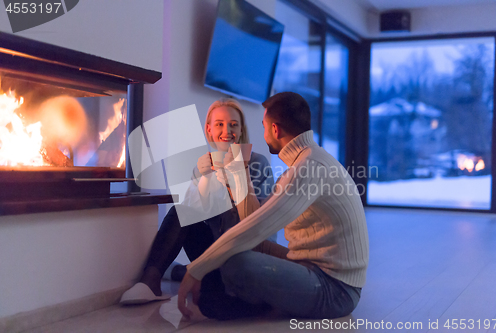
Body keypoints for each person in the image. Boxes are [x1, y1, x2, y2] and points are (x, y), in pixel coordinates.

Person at [177, 92, 369, 320]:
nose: (264, 133)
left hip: (336, 290)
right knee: (239, 252)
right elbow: (255, 221)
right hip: (308, 264)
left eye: (264, 126)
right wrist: (237, 171)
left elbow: (256, 228)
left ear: (275, 130)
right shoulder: (306, 161)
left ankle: (258, 306)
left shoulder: (308, 168)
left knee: (237, 264)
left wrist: (196, 269)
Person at [120, 98, 274, 304]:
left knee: (212, 291)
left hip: (246, 252)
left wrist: (237, 175)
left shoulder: (257, 163)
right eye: (219, 124)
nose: (226, 130)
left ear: (241, 130)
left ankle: (180, 272)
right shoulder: (203, 165)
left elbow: (258, 223)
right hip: (212, 250)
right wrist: (204, 178)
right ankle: (150, 281)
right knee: (181, 209)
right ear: (209, 130)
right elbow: (191, 214)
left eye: (233, 124)